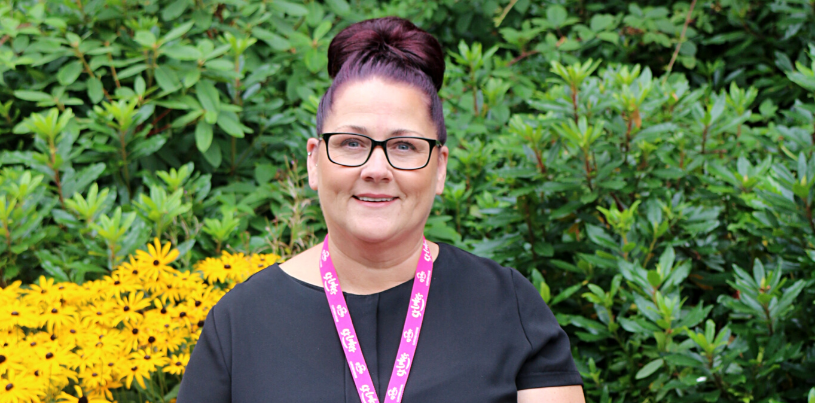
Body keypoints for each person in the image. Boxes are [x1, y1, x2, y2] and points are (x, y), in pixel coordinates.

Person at [177, 16, 585, 403]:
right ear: (314, 161)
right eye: (352, 143)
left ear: (440, 168)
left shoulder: (507, 306)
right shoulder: (240, 323)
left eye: (404, 146)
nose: (377, 169)